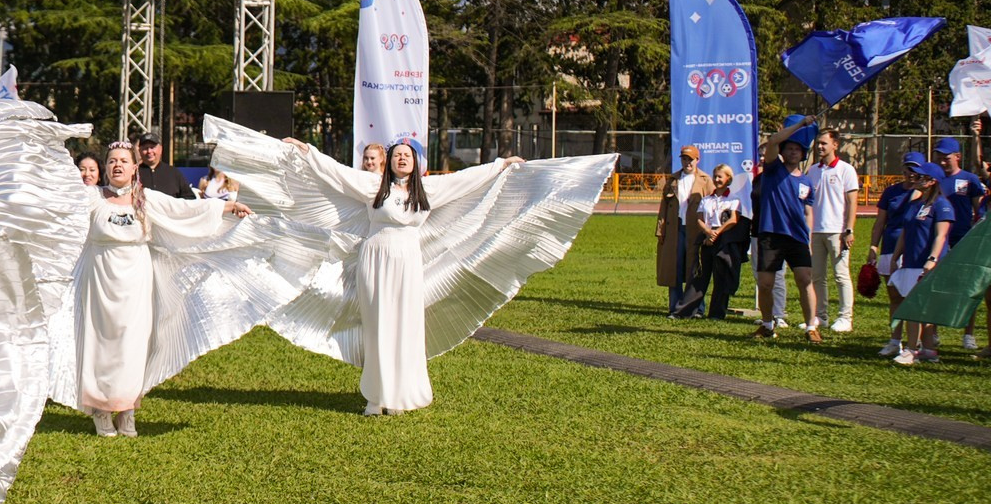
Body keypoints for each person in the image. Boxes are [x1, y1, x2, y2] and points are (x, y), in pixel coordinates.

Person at [208, 119, 614, 415]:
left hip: (407, 261)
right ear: (388, 162)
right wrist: (308, 153)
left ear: (415, 162)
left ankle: (404, 394)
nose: (401, 159)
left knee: (406, 325)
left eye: (407, 155)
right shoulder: (373, 188)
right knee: (379, 324)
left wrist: (500, 166)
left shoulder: (429, 188)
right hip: (375, 259)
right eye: (397, 154)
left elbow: (468, 181)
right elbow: (334, 175)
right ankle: (377, 396)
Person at [71, 140, 255, 434]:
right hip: (100, 279)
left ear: (134, 168)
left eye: (123, 161)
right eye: (112, 161)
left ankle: (128, 408)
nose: (117, 165)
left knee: (134, 343)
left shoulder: (147, 199)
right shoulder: (91, 198)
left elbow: (184, 210)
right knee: (101, 342)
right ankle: (101, 409)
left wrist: (227, 207)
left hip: (136, 278)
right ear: (106, 168)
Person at [874, 155, 953, 365]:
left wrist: (932, 259)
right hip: (910, 262)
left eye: (921, 177)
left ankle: (911, 350)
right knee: (917, 306)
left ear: (932, 181)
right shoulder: (915, 203)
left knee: (914, 307)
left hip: (926, 264)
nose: (916, 179)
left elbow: (940, 235)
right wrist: (896, 256)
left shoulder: (942, 205)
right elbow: (904, 232)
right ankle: (928, 350)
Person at [751, 131, 817, 341]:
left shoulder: (806, 182)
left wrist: (809, 239)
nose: (793, 152)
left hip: (797, 237)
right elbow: (772, 141)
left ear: (803, 154)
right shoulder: (772, 170)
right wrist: (801, 125)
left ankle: (811, 327)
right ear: (782, 152)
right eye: (789, 148)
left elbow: (808, 212)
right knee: (765, 283)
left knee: (805, 280)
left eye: (797, 149)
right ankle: (768, 324)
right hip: (771, 235)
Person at [804, 129, 862, 333]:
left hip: (837, 230)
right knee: (817, 276)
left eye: (824, 143)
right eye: (818, 143)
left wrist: (849, 229)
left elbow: (852, 202)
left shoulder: (846, 170)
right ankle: (821, 316)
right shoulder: (812, 171)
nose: (820, 147)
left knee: (840, 275)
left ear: (835, 145)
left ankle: (846, 317)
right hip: (816, 231)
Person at [932, 137, 985, 351]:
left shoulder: (969, 180)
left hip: (964, 240)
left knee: (968, 289)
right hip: (939, 241)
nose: (943, 162)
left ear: (957, 156)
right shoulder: (934, 179)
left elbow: (979, 211)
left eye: (946, 158)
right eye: (940, 158)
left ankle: (968, 334)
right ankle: (932, 332)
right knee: (936, 288)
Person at [694, 164, 750, 320]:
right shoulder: (706, 200)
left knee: (721, 277)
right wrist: (707, 232)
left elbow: (734, 219)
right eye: (715, 176)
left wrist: (717, 233)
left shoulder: (734, 200)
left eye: (720, 176)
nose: (717, 179)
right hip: (707, 239)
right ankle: (694, 309)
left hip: (724, 239)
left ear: (728, 179)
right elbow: (699, 218)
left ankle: (717, 313)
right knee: (700, 276)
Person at [657, 145, 705, 318]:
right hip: (675, 229)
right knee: (674, 269)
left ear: (697, 160)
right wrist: (660, 230)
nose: (687, 162)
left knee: (695, 269)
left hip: (696, 230)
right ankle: (675, 306)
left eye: (690, 159)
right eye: (684, 159)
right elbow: (663, 207)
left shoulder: (705, 180)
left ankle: (697, 308)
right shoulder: (672, 180)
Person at [135, 131, 194, 200]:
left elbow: (189, 198)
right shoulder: (134, 173)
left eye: (152, 147)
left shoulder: (173, 172)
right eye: (145, 148)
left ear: (160, 149)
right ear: (139, 150)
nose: (149, 151)